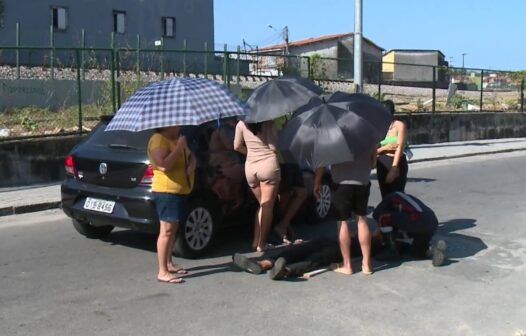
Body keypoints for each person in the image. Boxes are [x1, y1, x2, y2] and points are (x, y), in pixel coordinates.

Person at [314, 148, 377, 276]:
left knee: (343, 222)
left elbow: (322, 162)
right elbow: (373, 163)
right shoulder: (366, 133)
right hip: (362, 181)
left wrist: (317, 181)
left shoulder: (333, 136)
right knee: (362, 219)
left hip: (340, 182)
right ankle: (366, 264)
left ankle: (347, 265)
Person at [148, 126, 196, 284]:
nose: (180, 126)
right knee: (166, 231)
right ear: (167, 124)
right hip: (166, 191)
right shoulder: (158, 140)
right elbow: (163, 165)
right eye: (177, 123)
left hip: (180, 189)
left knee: (173, 229)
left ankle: (169, 263)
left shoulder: (177, 139)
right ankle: (162, 271)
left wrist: (192, 164)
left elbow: (191, 157)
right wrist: (179, 148)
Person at [234, 120, 281, 252]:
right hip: (267, 164)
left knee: (262, 205)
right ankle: (262, 243)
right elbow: (273, 148)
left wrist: (249, 152)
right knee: (268, 206)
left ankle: (256, 241)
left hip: (250, 166)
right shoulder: (268, 123)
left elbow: (236, 146)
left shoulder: (241, 124)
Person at [373, 191, 447, 266]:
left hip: (419, 219)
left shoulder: (392, 198)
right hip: (431, 222)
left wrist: (381, 234)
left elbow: (376, 214)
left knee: (383, 218)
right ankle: (433, 251)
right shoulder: (404, 203)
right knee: (417, 252)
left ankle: (390, 251)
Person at [376, 100, 409, 199]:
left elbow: (400, 147)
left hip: (397, 162)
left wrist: (394, 169)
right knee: (385, 195)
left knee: (397, 196)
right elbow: (373, 149)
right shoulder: (379, 126)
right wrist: (384, 148)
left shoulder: (399, 125)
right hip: (382, 161)